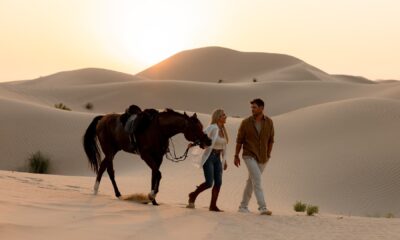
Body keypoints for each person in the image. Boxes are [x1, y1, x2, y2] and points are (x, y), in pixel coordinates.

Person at [234, 98, 274, 215]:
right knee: (257, 180)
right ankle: (262, 207)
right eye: (251, 107)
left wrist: (268, 154)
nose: (252, 109)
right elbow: (239, 141)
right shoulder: (245, 123)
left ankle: (243, 206)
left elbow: (271, 140)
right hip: (249, 155)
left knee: (251, 181)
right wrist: (236, 155)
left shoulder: (269, 122)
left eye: (254, 107)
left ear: (261, 108)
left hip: (263, 157)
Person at [187, 109, 228, 212]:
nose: (225, 117)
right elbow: (202, 136)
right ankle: (193, 195)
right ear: (218, 117)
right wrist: (194, 144)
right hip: (209, 157)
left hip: (218, 158)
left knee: (218, 182)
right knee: (209, 182)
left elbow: (223, 146)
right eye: (223, 115)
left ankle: (213, 206)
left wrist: (224, 160)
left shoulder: (223, 130)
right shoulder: (213, 127)